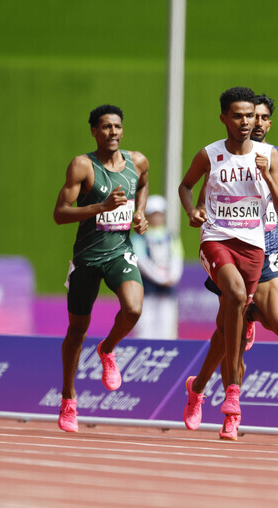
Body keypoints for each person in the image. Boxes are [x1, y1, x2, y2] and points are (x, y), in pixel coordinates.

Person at [183, 93, 278, 434]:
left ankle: (248, 318)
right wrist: (195, 212)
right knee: (230, 331)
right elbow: (202, 193)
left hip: (266, 245)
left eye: (262, 118)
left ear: (268, 122)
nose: (255, 123)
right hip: (227, 242)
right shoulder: (217, 155)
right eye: (249, 116)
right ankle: (218, 403)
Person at [52, 104, 149, 432]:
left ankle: (107, 349)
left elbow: (143, 185)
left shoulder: (137, 162)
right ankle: (68, 398)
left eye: (117, 126)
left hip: (120, 252)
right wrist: (100, 207)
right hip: (87, 259)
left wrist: (140, 213)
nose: (113, 132)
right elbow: (60, 213)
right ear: (94, 131)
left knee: (134, 309)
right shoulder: (83, 166)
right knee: (77, 329)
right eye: (106, 127)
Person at [130, 194, 184, 339]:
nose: (157, 218)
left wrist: (172, 277)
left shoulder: (171, 236)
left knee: (167, 321)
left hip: (168, 287)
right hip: (146, 287)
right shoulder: (139, 237)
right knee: (146, 321)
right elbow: (142, 262)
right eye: (154, 214)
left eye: (160, 214)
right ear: (147, 216)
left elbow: (177, 258)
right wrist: (160, 278)